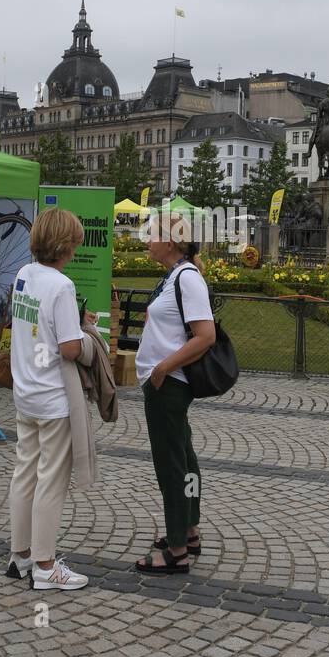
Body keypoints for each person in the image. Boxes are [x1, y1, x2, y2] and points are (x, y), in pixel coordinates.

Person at [4, 207, 99, 591]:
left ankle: (20, 555)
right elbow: (71, 349)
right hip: (53, 398)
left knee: (24, 473)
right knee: (51, 482)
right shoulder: (61, 285)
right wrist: (89, 333)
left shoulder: (24, 275)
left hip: (25, 392)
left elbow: (34, 325)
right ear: (65, 245)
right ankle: (45, 566)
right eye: (75, 242)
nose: (77, 248)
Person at [134, 213, 216, 575]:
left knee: (171, 464)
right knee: (184, 455)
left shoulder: (187, 279)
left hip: (169, 384)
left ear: (170, 241)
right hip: (165, 382)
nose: (147, 239)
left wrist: (164, 367)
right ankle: (189, 531)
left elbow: (205, 336)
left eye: (152, 234)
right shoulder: (174, 276)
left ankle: (177, 550)